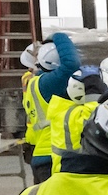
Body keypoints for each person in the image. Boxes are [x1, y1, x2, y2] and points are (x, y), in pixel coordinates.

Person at [22, 35, 81, 181]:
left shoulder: (37, 83)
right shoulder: (48, 84)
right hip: (53, 156)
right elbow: (71, 64)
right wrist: (58, 36)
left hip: (43, 154)